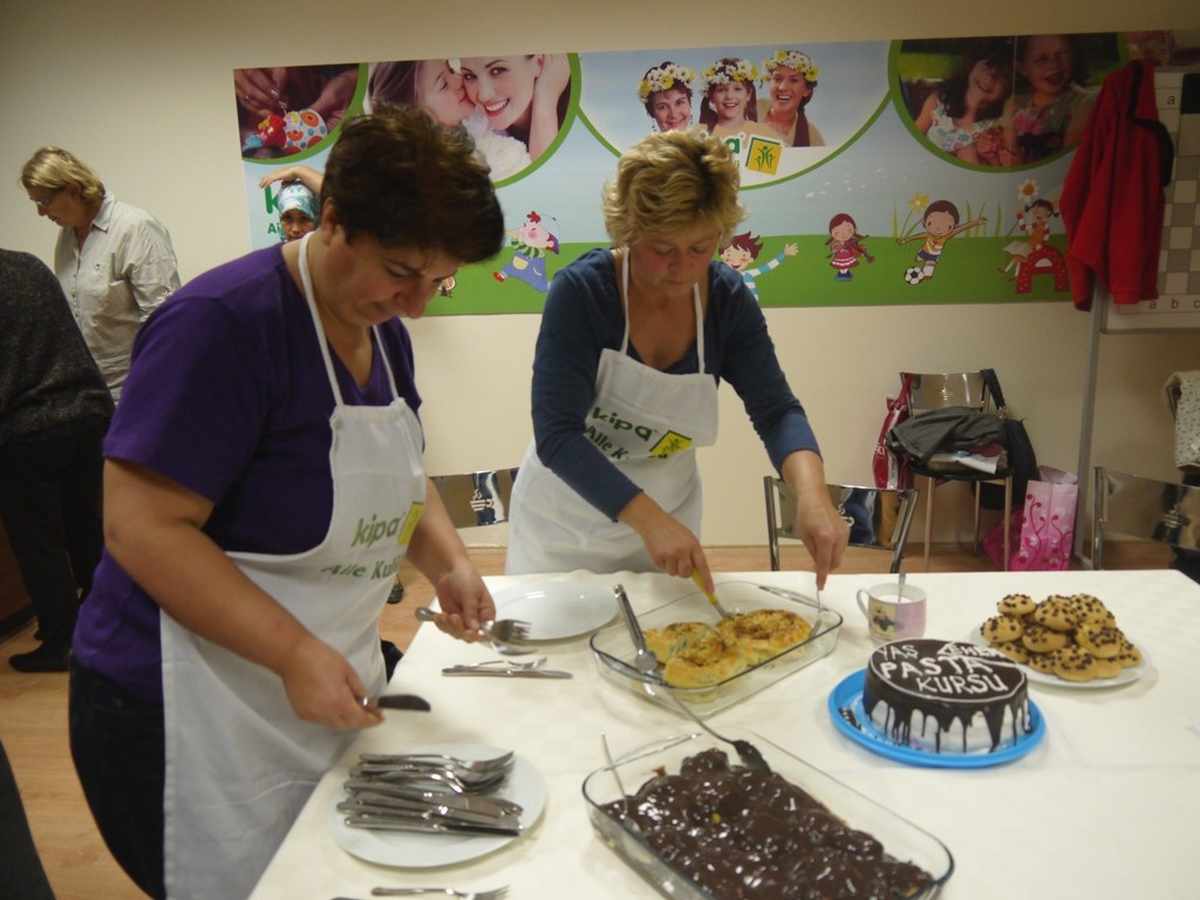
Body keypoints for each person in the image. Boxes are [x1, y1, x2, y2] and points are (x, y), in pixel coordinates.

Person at [68, 104, 505, 900]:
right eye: (401, 272)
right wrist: (293, 654)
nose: (417, 303)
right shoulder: (222, 326)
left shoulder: (382, 331)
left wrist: (449, 563)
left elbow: (404, 473)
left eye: (436, 280)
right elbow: (140, 527)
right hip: (184, 702)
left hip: (315, 676)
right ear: (332, 219)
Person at [505, 127, 849, 593]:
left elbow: (776, 409)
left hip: (669, 528)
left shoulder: (726, 300)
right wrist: (649, 520)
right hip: (564, 531)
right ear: (627, 233)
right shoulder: (582, 294)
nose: (682, 268)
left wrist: (811, 496)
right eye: (662, 249)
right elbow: (558, 436)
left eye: (700, 249)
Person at [0, 249, 113, 673]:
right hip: (86, 412)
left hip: (27, 427)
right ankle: (107, 626)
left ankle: (61, 641)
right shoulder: (26, 264)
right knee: (85, 527)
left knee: (39, 543)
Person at [20, 147, 181, 402]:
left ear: (73, 190)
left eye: (44, 201)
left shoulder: (135, 228)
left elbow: (165, 322)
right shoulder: (67, 236)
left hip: (138, 391)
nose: (40, 213)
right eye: (35, 203)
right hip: (90, 395)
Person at [368, 58, 532, 180]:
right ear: (416, 116)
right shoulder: (439, 171)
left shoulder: (480, 116)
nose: (459, 80)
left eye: (452, 70)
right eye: (444, 84)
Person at [455, 54, 571, 163]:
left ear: (539, 63)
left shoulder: (576, 110)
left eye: (497, 71)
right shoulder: (474, 130)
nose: (483, 95)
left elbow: (548, 177)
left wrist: (545, 101)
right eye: (469, 76)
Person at [999, 34, 1096, 164]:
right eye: (1040, 59)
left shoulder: (1083, 103)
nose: (1054, 65)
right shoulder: (1014, 104)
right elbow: (1010, 154)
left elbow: (1068, 163)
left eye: (1062, 53)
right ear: (1022, 68)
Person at [913, 38, 1013, 163]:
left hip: (964, 181)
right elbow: (911, 137)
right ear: (971, 67)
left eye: (1004, 76)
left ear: (1008, 89)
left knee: (968, 151)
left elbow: (999, 169)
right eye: (987, 65)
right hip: (927, 172)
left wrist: (987, 154)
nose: (990, 78)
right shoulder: (938, 102)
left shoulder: (998, 125)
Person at [757, 48, 825, 147]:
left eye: (793, 80)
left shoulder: (812, 136)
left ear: (806, 90)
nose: (782, 87)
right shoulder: (749, 108)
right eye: (777, 79)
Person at [698, 57, 777, 141]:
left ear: (749, 94)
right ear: (711, 96)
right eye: (721, 90)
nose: (729, 96)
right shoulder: (700, 134)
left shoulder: (763, 133)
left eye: (737, 89)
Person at [638, 60, 696, 132]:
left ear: (689, 103)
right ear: (652, 112)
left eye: (680, 102)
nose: (674, 115)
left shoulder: (706, 141)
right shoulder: (647, 143)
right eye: (662, 107)